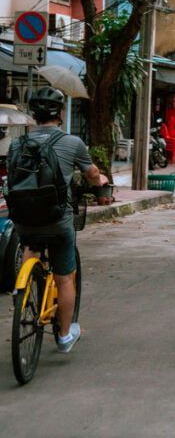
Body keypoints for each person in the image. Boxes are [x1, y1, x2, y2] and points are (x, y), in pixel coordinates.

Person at [9, 87, 105, 353]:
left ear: (34, 115)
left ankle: (25, 292)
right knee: (65, 278)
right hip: (58, 223)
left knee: (31, 244)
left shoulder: (18, 143)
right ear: (60, 114)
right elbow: (92, 174)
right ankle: (64, 335)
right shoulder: (73, 143)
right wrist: (100, 181)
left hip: (24, 221)